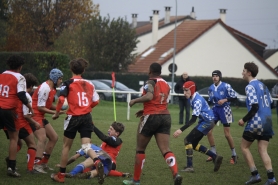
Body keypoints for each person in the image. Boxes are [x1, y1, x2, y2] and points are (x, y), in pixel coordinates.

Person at [123, 63, 183, 185]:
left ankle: (136, 180)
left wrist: (135, 100)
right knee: (165, 149)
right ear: (160, 71)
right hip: (165, 116)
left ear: (150, 71)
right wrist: (145, 109)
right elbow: (162, 100)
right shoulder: (166, 84)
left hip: (151, 116)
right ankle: (176, 174)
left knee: (140, 149)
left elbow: (150, 96)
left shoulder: (150, 82)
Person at [51, 58, 104, 184]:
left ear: (71, 70)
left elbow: (60, 99)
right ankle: (97, 161)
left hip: (73, 117)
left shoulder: (67, 83)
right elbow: (96, 101)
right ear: (83, 70)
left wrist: (57, 113)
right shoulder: (90, 84)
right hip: (87, 117)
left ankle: (61, 176)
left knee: (66, 146)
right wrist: (86, 108)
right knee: (86, 146)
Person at [238, 62, 277, 185]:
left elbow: (255, 106)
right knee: (263, 150)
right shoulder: (263, 85)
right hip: (268, 121)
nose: (242, 73)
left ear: (249, 72)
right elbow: (272, 104)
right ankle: (271, 178)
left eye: (244, 71)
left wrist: (243, 119)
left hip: (256, 121)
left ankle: (255, 175)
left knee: (244, 147)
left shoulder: (250, 86)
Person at [173, 81, 223, 173]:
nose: (184, 93)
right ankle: (215, 157)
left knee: (187, 140)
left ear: (192, 90)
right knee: (193, 144)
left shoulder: (197, 101)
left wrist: (180, 130)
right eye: (183, 91)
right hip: (206, 121)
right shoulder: (192, 97)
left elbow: (193, 120)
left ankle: (190, 167)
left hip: (207, 122)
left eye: (186, 90)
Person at [0, 55, 33, 177]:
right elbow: (21, 95)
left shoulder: (2, 75)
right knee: (14, 139)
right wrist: (29, 106)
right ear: (20, 66)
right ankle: (11, 168)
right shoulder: (20, 77)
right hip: (9, 110)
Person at [58, 122, 130, 179]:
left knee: (90, 152)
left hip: (110, 162)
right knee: (89, 166)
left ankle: (73, 173)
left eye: (111, 129)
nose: (108, 130)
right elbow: (75, 157)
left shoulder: (117, 140)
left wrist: (93, 127)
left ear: (117, 133)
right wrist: (63, 165)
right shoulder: (102, 144)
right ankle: (86, 175)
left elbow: (104, 138)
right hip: (101, 160)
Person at [32, 68, 65, 173]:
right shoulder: (45, 88)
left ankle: (43, 163)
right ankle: (36, 165)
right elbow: (40, 107)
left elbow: (48, 105)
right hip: (34, 115)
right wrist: (56, 113)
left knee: (54, 137)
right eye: (60, 79)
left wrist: (60, 109)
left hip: (40, 115)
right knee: (42, 138)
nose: (61, 81)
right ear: (55, 78)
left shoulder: (52, 89)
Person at [205, 70, 238, 164]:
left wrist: (225, 100)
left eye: (216, 76)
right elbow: (210, 100)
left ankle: (234, 155)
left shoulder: (226, 85)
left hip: (225, 109)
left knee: (227, 134)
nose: (214, 77)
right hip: (215, 109)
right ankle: (213, 154)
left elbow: (235, 97)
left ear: (220, 77)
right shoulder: (211, 88)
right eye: (213, 76)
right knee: (208, 131)